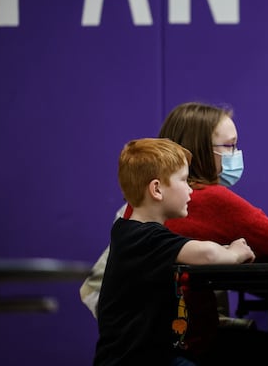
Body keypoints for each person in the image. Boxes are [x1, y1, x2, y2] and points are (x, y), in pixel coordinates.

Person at [82, 102, 268, 363]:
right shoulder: (159, 229)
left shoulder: (130, 217)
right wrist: (233, 251)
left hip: (163, 345)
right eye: (229, 146)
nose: (236, 154)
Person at [94, 138, 255, 366]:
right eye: (184, 180)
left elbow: (192, 248)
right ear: (157, 189)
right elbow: (207, 254)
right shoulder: (141, 237)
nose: (190, 189)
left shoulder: (136, 234)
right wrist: (236, 252)